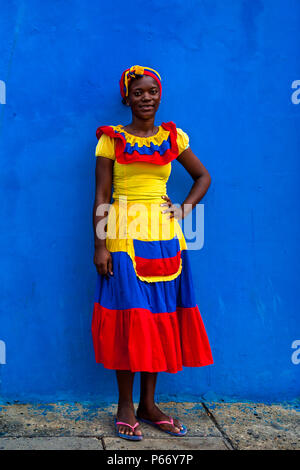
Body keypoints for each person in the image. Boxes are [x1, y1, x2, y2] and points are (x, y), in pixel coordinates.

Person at [92, 65, 213, 441]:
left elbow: (203, 176)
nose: (146, 98)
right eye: (138, 92)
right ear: (126, 98)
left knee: (159, 319)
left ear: (159, 95)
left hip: (165, 240)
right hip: (124, 240)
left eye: (152, 91)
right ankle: (125, 406)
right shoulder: (111, 140)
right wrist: (100, 244)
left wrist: (182, 209)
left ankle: (149, 404)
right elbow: (101, 196)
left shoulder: (173, 139)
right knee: (131, 319)